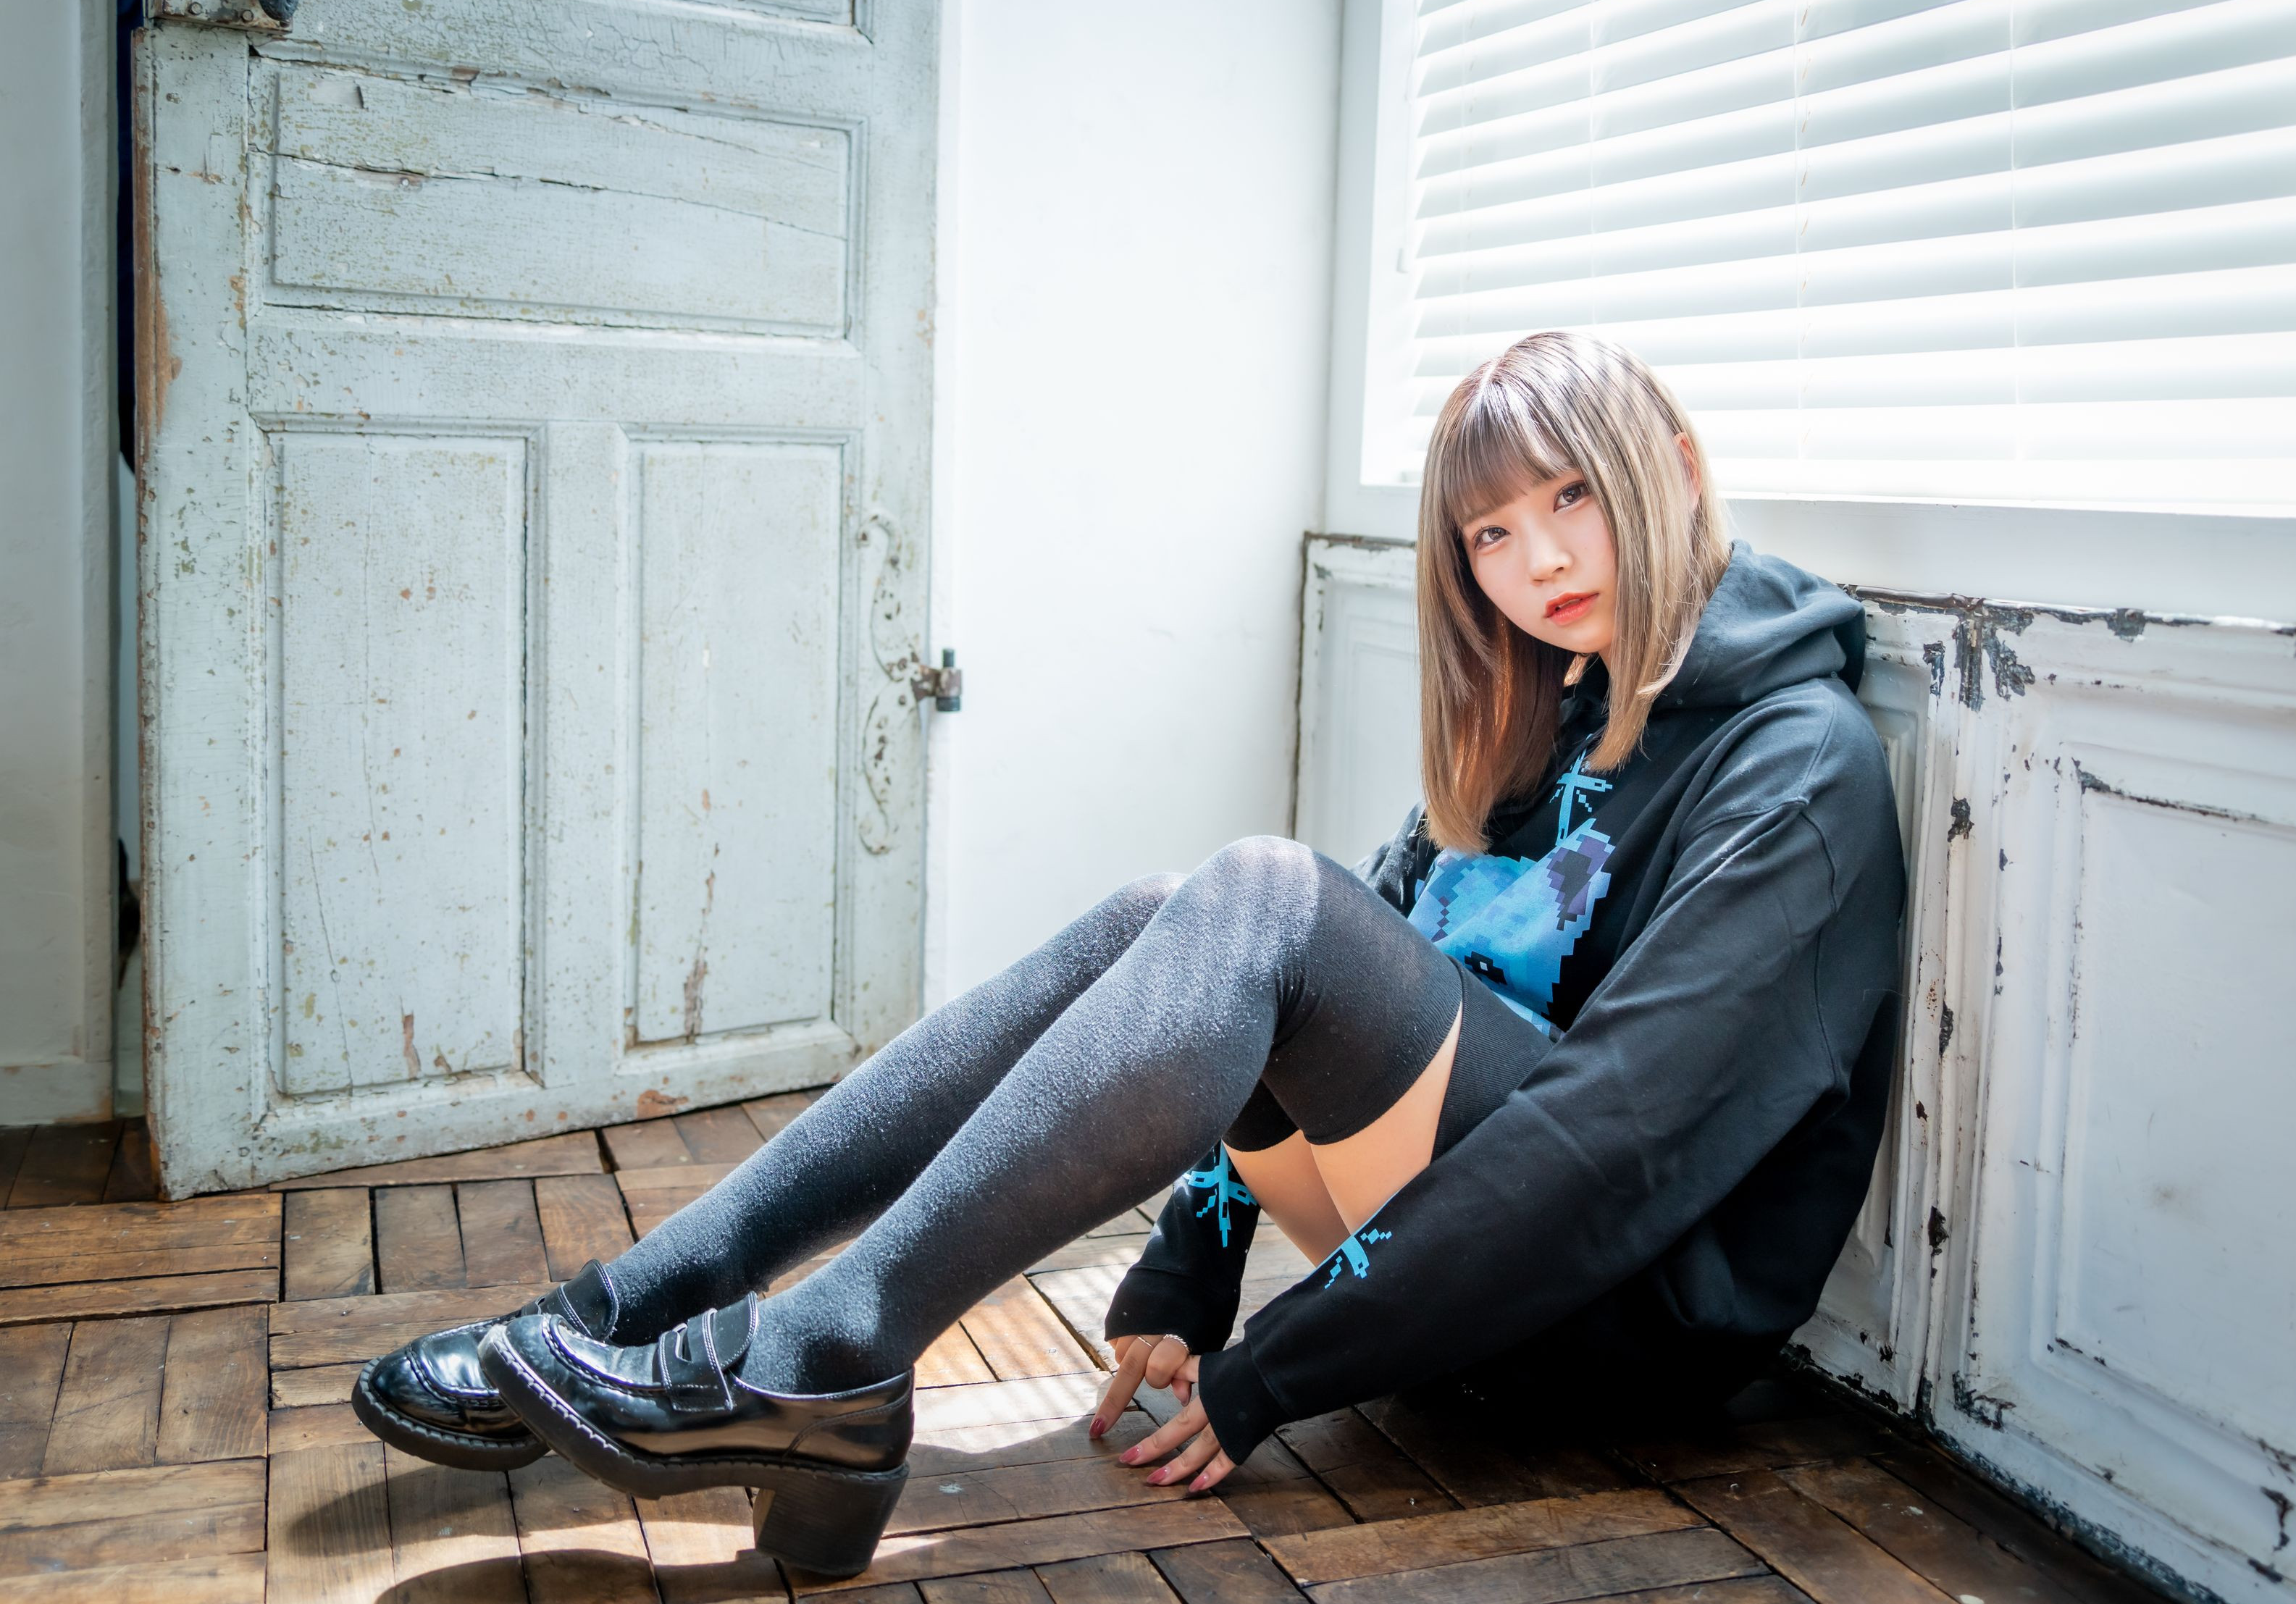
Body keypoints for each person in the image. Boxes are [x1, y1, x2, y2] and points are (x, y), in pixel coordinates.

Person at [352, 331, 1907, 1579]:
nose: (1538, 560)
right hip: (1462, 1255)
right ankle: (641, 1300)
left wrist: (1276, 1366)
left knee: (1265, 898)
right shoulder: (1559, 696)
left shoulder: (1797, 768)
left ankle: (822, 1355)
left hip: (1613, 1317)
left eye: (1571, 497)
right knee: (1171, 911)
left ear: (1673, 468)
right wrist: (1194, 1258)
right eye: (1491, 532)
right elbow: (1351, 968)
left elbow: (1607, 1148)